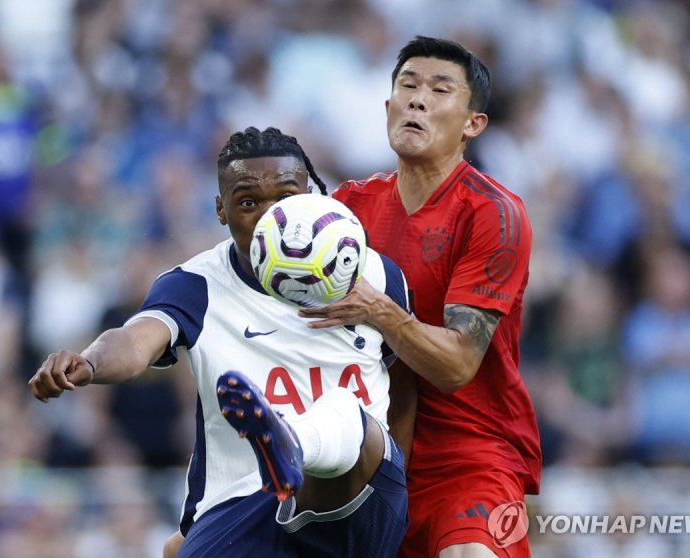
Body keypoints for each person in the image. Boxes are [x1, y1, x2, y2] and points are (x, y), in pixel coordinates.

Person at [28, 126, 413, 558]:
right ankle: (280, 452)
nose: (270, 219)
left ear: (313, 196)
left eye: (286, 198)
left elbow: (405, 387)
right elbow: (136, 341)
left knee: (348, 415)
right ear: (220, 211)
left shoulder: (375, 274)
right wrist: (90, 362)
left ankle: (292, 442)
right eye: (248, 202)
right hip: (242, 504)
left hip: (358, 500)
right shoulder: (196, 285)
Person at [301, 36, 542, 558]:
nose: (416, 99)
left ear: (473, 124)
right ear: (387, 106)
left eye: (439, 89)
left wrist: (380, 311)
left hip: (470, 455)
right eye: (407, 86)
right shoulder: (345, 208)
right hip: (360, 452)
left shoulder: (493, 214)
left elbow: (456, 364)